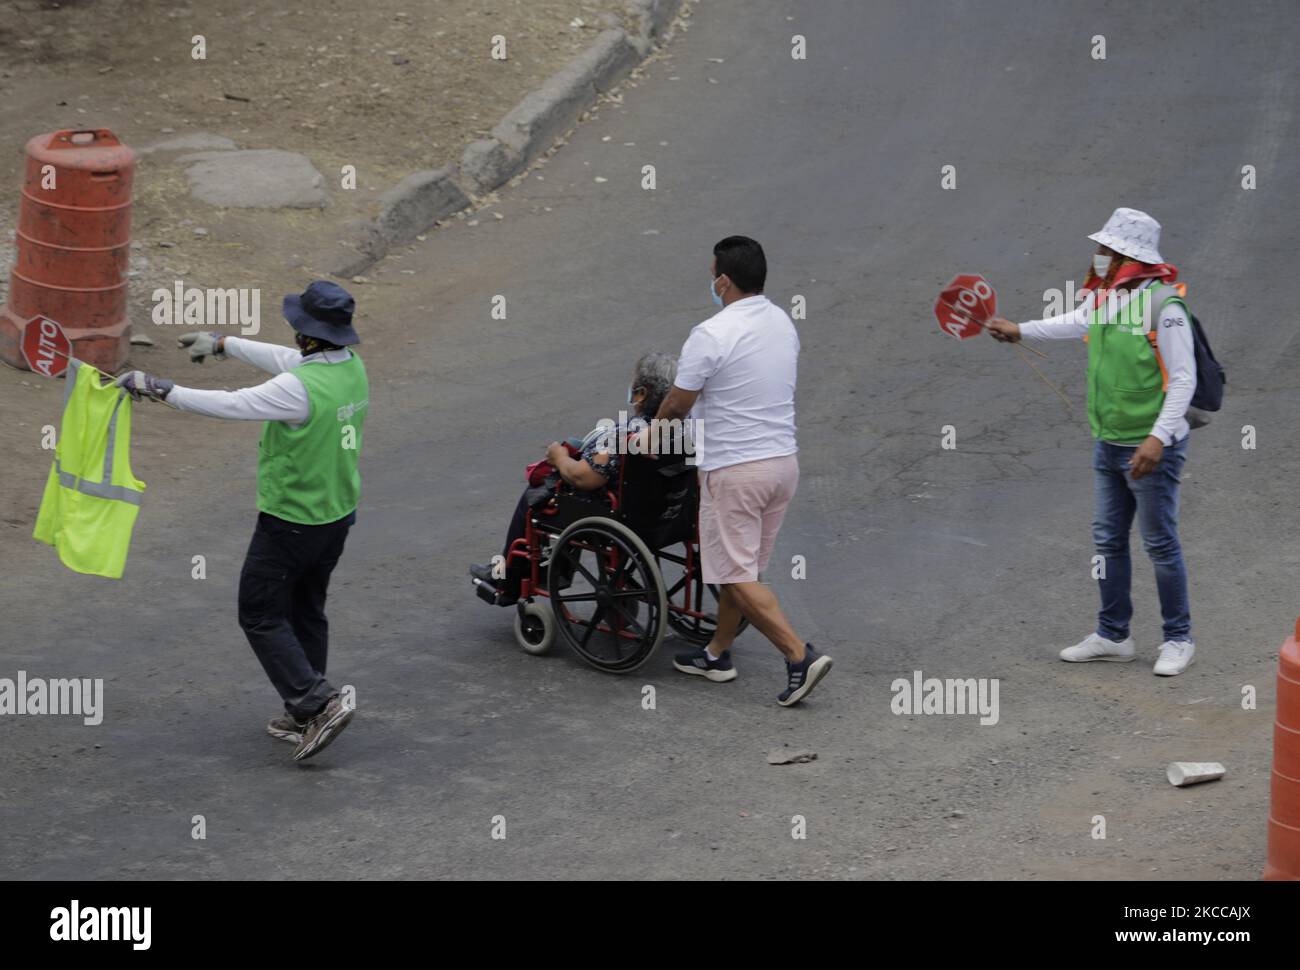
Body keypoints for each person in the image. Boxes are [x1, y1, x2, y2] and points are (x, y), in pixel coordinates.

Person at [114, 280, 369, 758]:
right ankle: (305, 709)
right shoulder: (349, 369)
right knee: (306, 609)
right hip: (336, 516)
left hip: (291, 520)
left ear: (309, 334)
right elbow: (282, 360)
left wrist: (160, 388)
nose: (293, 335)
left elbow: (234, 404)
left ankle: (318, 704)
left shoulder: (298, 389)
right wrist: (225, 344)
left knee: (259, 612)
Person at [985, 207, 1198, 676]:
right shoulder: (1106, 298)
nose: (1099, 256)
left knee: (1160, 543)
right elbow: (1077, 322)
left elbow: (1184, 380)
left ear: (1130, 258)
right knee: (1107, 542)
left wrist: (1157, 438)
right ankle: (1113, 634)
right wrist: (1020, 329)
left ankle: (1178, 638)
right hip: (1108, 442)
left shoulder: (1165, 306)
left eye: (1108, 250)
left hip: (1149, 447)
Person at [656, 236, 832, 706]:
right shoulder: (781, 323)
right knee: (745, 567)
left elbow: (677, 402)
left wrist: (649, 435)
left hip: (735, 469)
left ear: (723, 280)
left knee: (734, 575)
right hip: (782, 466)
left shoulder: (711, 333)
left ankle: (799, 656)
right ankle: (717, 653)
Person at [471, 352, 678, 604]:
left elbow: (585, 478)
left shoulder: (626, 435)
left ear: (641, 394)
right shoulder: (684, 430)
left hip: (617, 513)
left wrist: (559, 457)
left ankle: (507, 580)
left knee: (535, 496)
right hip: (667, 514)